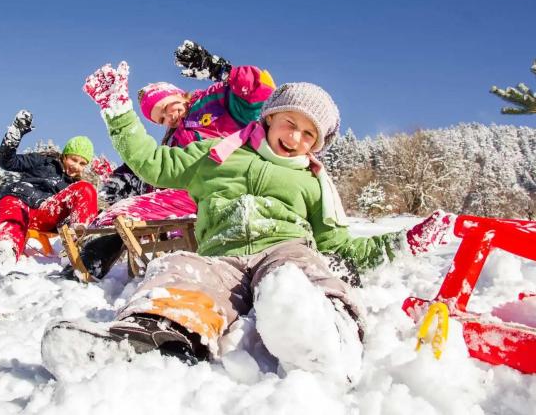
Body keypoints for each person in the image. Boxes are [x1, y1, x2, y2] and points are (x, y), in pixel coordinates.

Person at [42, 63, 454, 383]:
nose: (295, 138)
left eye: (309, 134)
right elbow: (154, 163)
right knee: (178, 269)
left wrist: (405, 242)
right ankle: (145, 339)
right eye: (290, 123)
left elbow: (339, 244)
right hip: (223, 255)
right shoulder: (217, 153)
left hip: (285, 248)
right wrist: (119, 112)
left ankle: (326, 337)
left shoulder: (311, 180)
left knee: (299, 274)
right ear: (270, 118)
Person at [62, 41, 276, 281]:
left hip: (230, 187)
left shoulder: (215, 101)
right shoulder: (173, 140)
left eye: (166, 107)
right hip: (192, 196)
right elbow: (161, 168)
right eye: (161, 119)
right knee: (125, 210)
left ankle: (88, 264)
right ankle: (86, 261)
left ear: (177, 93)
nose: (168, 118)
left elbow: (262, 94)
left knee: (130, 210)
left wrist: (221, 70)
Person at [0, 110, 98, 275]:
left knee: (87, 188)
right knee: (13, 220)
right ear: (64, 156)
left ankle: (77, 246)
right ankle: (3, 251)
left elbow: (84, 208)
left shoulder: (74, 186)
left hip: (45, 212)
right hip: (18, 200)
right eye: (73, 159)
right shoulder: (42, 161)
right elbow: (6, 162)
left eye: (82, 163)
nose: (76, 166)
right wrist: (15, 134)